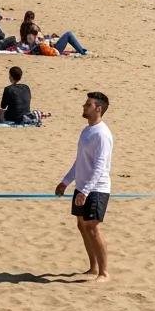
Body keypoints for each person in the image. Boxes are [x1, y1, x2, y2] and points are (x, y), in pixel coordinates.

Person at [55, 91, 113, 281]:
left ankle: (104, 273)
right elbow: (80, 161)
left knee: (92, 228)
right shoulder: (87, 130)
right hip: (83, 187)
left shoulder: (102, 134)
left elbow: (100, 166)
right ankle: (93, 268)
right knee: (82, 225)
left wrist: (86, 191)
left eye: (87, 105)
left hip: (97, 188)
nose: (83, 106)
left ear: (98, 108)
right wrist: (65, 182)